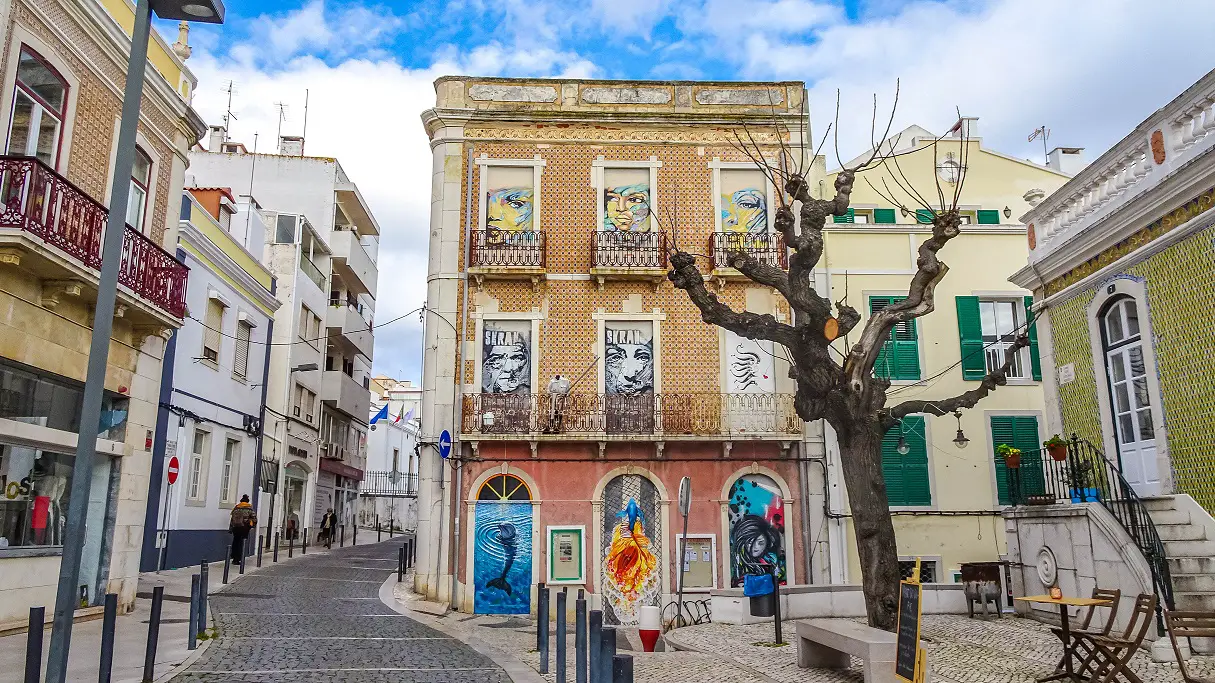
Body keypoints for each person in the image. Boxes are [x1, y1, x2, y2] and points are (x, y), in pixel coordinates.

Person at [228, 495, 256, 563]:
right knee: (241, 543)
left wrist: (231, 529)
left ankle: (234, 557)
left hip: (235, 528)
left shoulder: (236, 508)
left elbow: (232, 519)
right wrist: (251, 525)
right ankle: (239, 558)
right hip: (244, 528)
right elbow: (254, 519)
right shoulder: (249, 509)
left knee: (235, 542)